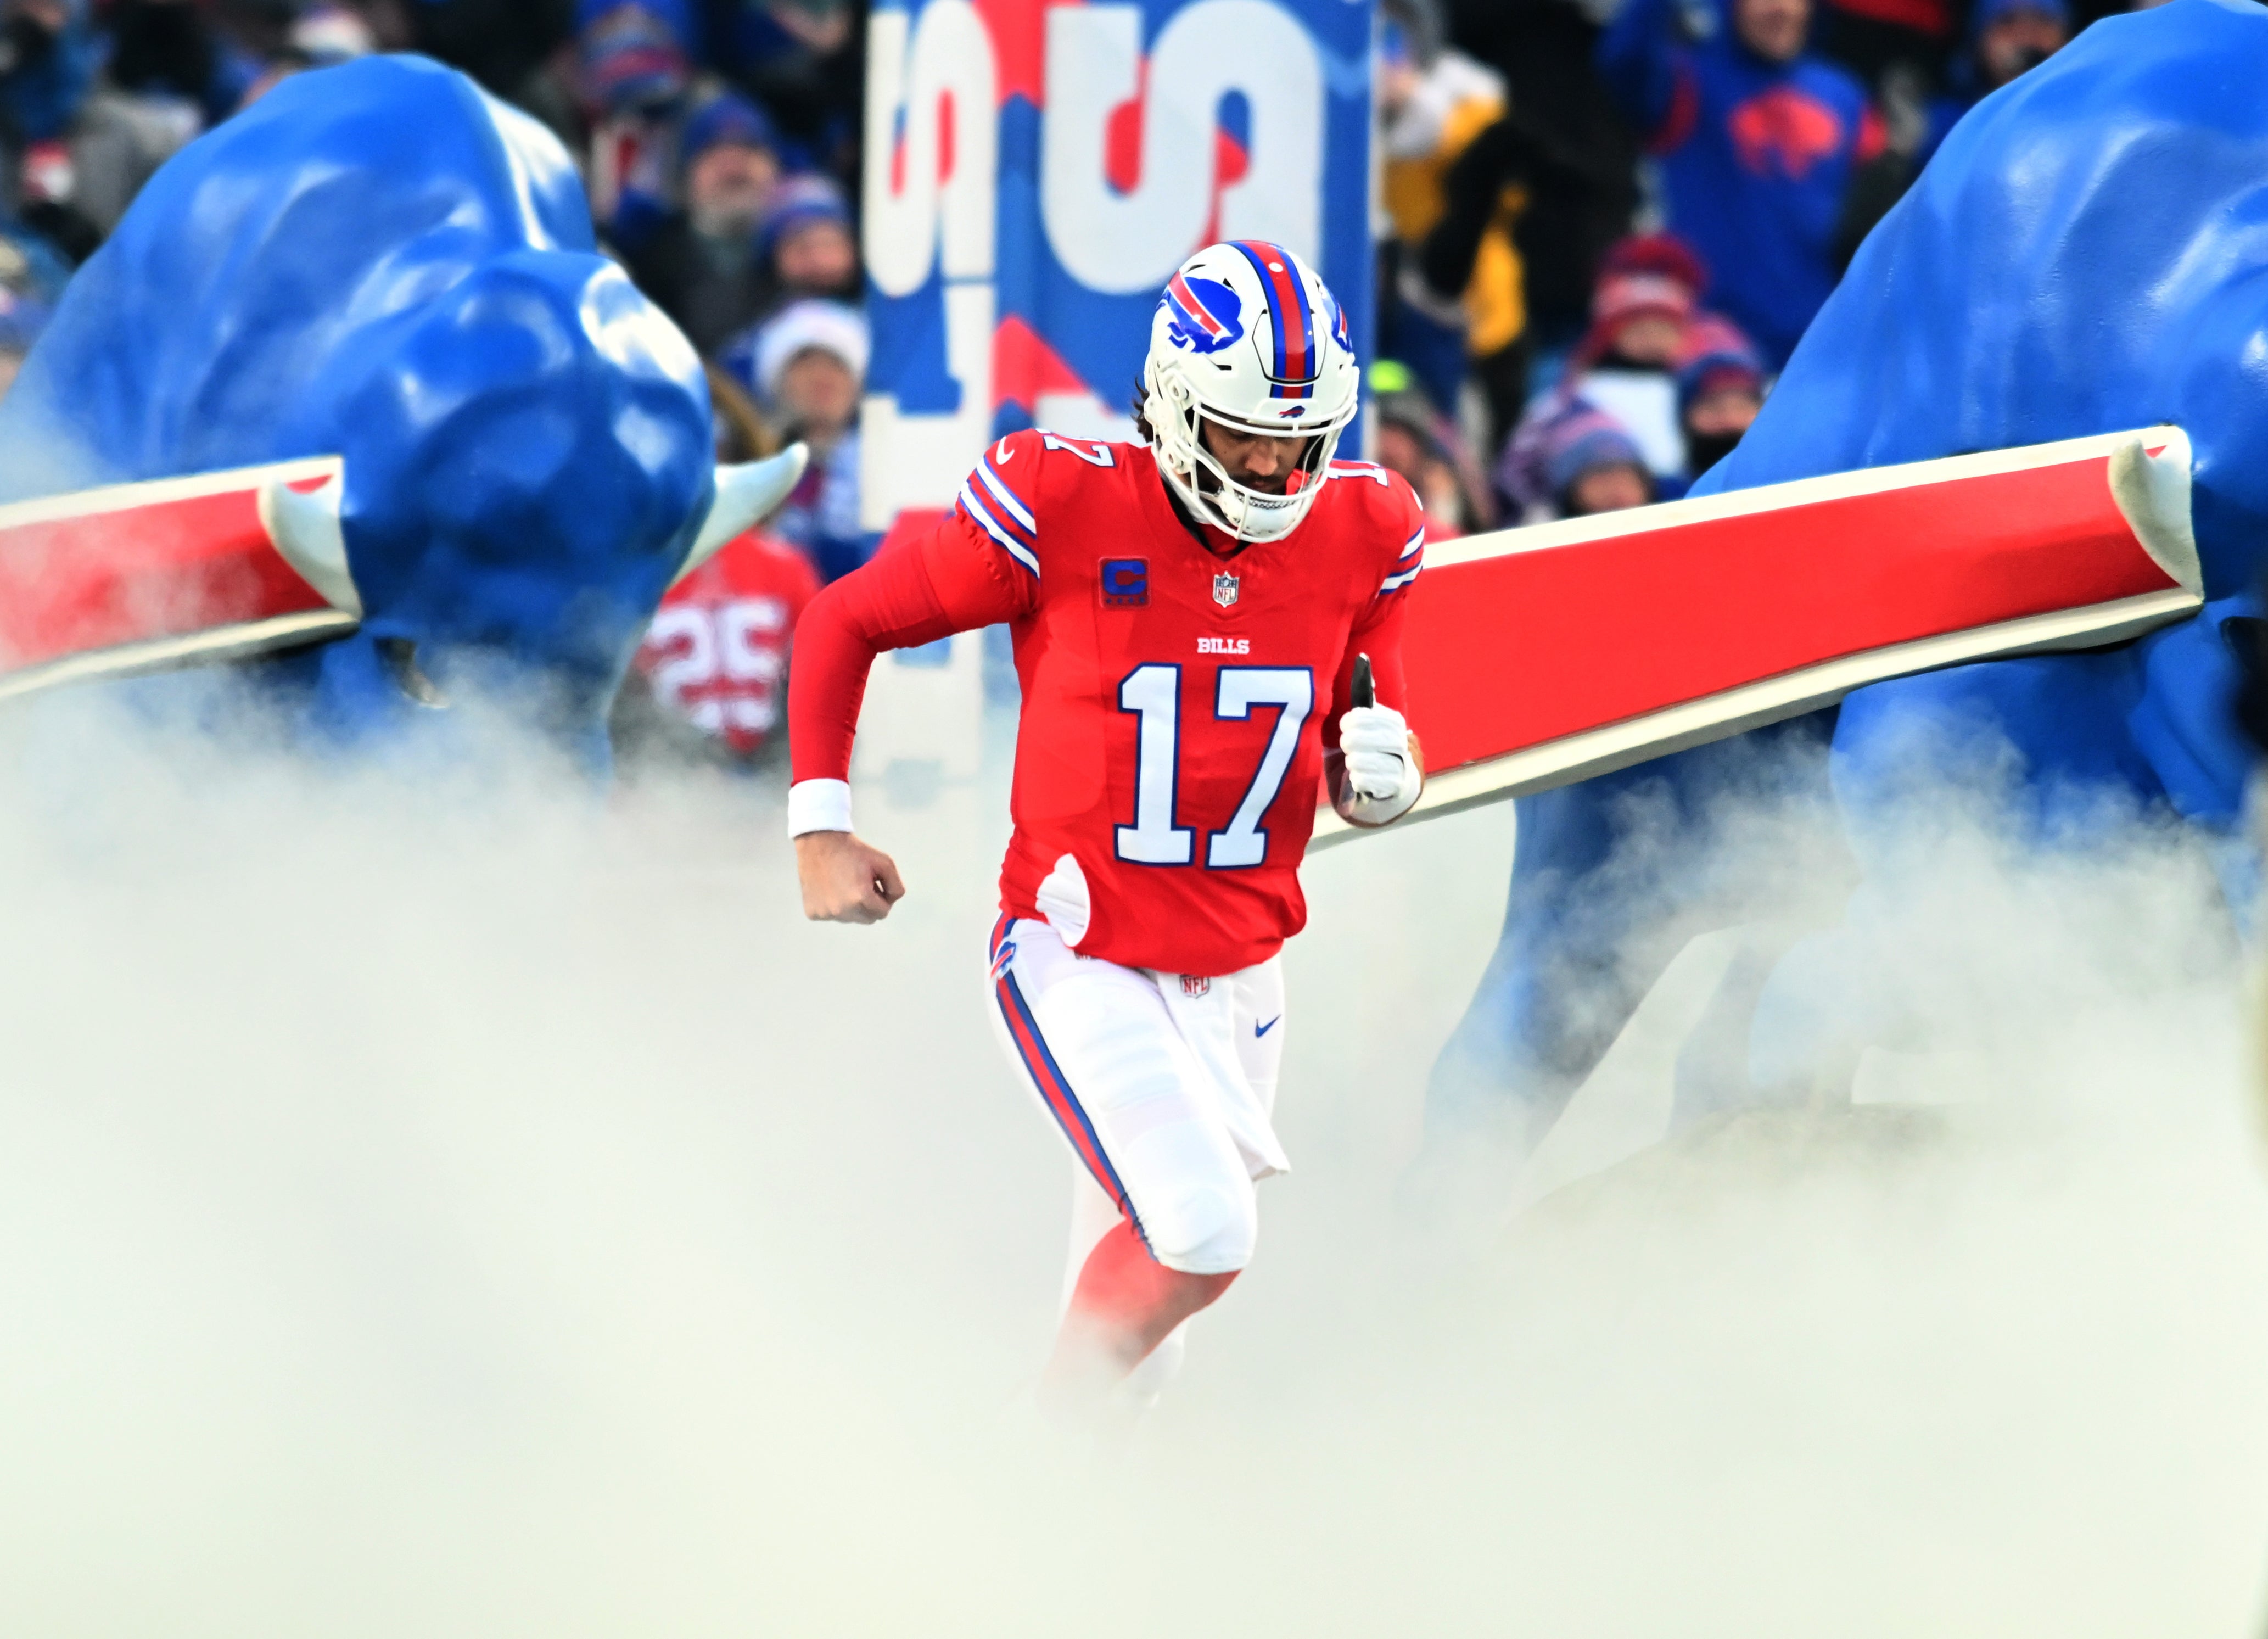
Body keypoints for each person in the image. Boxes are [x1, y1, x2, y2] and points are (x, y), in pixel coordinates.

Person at [785, 242, 1428, 1425]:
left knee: (1156, 1336)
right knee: (1199, 1231)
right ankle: (1019, 1450)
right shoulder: (1062, 500)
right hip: (1082, 950)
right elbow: (845, 617)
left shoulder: (1369, 525)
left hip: (1244, 971)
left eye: (1300, 436)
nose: (1277, 465)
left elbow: (1357, 737)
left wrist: (1376, 774)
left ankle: (1066, 1543)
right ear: (1177, 408)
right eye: (1245, 434)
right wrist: (819, 823)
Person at [1598, 0, 1881, 368]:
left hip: (1816, 354)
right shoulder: (1689, 78)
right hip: (1710, 358)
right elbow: (1625, 59)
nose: (1782, 8)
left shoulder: (1844, 95)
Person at [623, 89, 785, 354]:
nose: (734, 168)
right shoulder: (651, 262)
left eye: (749, 153)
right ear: (686, 178)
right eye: (716, 155)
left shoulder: (801, 256)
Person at [723, 296, 866, 581]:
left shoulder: (885, 459)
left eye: (837, 365)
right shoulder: (750, 463)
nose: (823, 378)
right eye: (805, 364)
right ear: (776, 381)